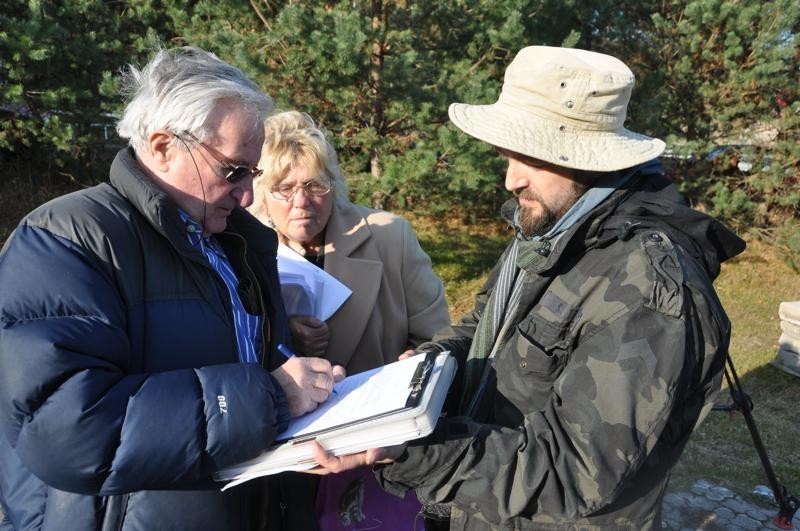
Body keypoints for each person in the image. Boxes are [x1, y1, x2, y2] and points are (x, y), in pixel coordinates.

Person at [312, 46, 747, 530]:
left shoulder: (648, 290)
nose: (509, 178)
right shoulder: (556, 227)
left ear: (590, 159)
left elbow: (571, 472)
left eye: (530, 157)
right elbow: (488, 326)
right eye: (507, 155)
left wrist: (410, 453)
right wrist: (431, 363)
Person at [0, 47, 342, 531]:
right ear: (162, 146)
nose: (248, 196)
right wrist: (271, 397)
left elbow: (246, 369)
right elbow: (68, 428)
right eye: (233, 171)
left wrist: (308, 395)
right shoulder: (67, 239)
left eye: (253, 173)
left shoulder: (235, 241)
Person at [248, 110, 450, 530]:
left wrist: (417, 362)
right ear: (261, 193)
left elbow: (442, 339)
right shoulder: (243, 249)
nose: (301, 202)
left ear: (333, 185)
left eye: (314, 186)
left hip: (374, 455)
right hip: (284, 460)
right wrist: (285, 333)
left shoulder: (389, 235)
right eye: (283, 189)